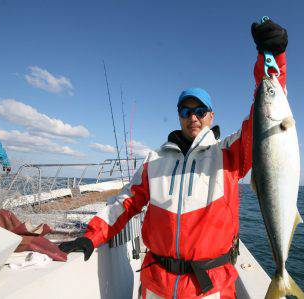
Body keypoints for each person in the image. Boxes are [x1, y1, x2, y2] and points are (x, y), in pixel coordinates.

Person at [60, 19, 288, 298]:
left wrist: (274, 57)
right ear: (179, 115)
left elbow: (266, 116)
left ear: (211, 116)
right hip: (155, 285)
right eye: (185, 110)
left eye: (200, 110)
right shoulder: (154, 160)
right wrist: (90, 236)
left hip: (210, 289)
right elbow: (126, 202)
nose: (193, 116)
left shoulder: (229, 153)